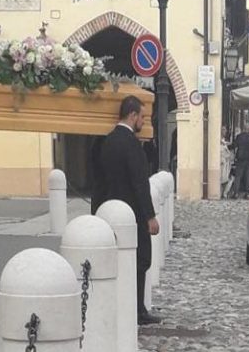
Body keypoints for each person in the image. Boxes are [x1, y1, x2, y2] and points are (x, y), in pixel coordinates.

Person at [91, 96, 161, 325]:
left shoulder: (104, 141)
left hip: (107, 210)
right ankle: (137, 309)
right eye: (142, 116)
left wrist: (96, 213)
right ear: (132, 116)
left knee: (115, 261)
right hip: (132, 213)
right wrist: (150, 216)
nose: (143, 121)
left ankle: (121, 305)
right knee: (140, 261)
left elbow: (97, 180)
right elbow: (140, 182)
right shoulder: (131, 145)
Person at [231, 125, 249, 196]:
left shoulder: (239, 137)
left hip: (240, 159)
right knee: (248, 176)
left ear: (244, 129)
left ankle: (236, 193)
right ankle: (248, 193)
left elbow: (234, 145)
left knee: (238, 176)